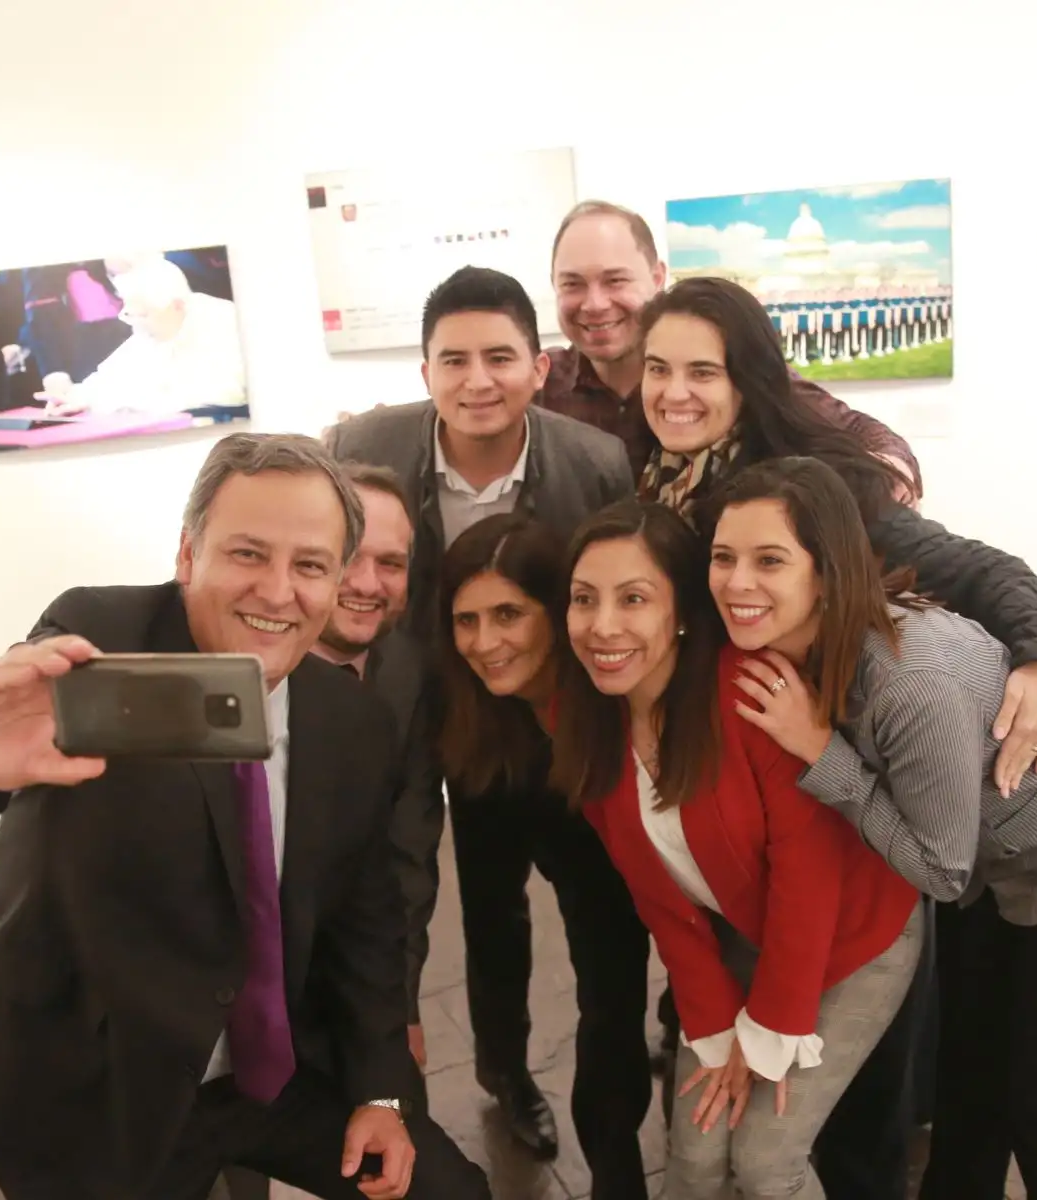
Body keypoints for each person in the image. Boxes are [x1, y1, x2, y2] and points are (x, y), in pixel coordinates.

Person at [0, 433, 490, 1200]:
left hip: (271, 1067)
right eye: (247, 555)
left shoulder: (351, 722)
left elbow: (368, 923)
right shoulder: (104, 636)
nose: (277, 592)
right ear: (187, 556)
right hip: (95, 1084)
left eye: (309, 566)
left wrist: (380, 1093)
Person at [638, 274, 1037, 1194]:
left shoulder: (828, 486)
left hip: (865, 813)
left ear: (748, 379)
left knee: (865, 1091)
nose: (672, 391)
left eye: (702, 371)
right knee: (748, 1077)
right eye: (656, 369)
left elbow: (978, 568)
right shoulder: (655, 481)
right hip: (754, 816)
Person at [704, 456, 1037, 1200]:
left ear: (826, 574)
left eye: (770, 560)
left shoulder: (904, 680)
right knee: (968, 1079)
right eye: (724, 558)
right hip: (1001, 860)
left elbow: (940, 869)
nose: (737, 582)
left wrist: (823, 754)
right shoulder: (801, 648)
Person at [327, 268, 653, 1196]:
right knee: (486, 910)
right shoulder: (363, 446)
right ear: (423, 370)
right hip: (449, 719)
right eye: (454, 359)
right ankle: (504, 1077)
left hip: (563, 724)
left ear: (540, 367)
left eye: (500, 357)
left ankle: (615, 1135)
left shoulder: (591, 459)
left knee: (604, 918)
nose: (479, 379)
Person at [552, 500, 923, 1199]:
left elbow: (809, 881)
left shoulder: (749, 693)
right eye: (583, 600)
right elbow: (660, 903)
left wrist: (767, 1032)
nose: (602, 626)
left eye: (633, 599)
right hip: (752, 938)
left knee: (763, 1162)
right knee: (692, 1159)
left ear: (684, 613)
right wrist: (717, 1026)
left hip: (857, 938)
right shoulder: (590, 722)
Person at [220, 462, 444, 1200]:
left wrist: (398, 1012)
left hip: (338, 1007)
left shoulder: (397, 683)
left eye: (392, 562)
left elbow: (401, 866)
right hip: (189, 1037)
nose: (367, 582)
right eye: (345, 558)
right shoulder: (188, 671)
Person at [431, 512, 655, 1198]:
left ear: (557, 614)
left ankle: (615, 1171)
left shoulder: (606, 701)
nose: (485, 641)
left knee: (611, 983)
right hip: (499, 774)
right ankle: (504, 1073)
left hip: (583, 797)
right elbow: (488, 916)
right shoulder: (472, 711)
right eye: (466, 621)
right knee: (491, 923)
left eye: (508, 614)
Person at [541, 199, 921, 502]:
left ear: (658, 277)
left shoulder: (736, 370)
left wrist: (885, 489)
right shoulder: (539, 387)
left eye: (615, 280)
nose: (594, 304)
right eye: (572, 284)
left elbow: (859, 433)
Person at [42, 256, 247, 420]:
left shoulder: (224, 320)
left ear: (178, 305)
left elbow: (226, 393)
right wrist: (73, 398)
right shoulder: (146, 333)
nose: (136, 324)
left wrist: (129, 401)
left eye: (144, 315)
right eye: (130, 315)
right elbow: (105, 379)